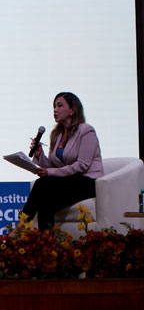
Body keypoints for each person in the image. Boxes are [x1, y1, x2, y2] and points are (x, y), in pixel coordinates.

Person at [22, 92, 103, 230]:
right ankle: (46, 242)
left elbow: (82, 165)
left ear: (72, 110)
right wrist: (39, 154)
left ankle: (21, 226)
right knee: (45, 201)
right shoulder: (57, 135)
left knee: (42, 184)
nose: (55, 109)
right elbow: (52, 166)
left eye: (59, 105)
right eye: (54, 106)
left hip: (87, 182)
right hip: (68, 181)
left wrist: (49, 172)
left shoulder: (86, 131)